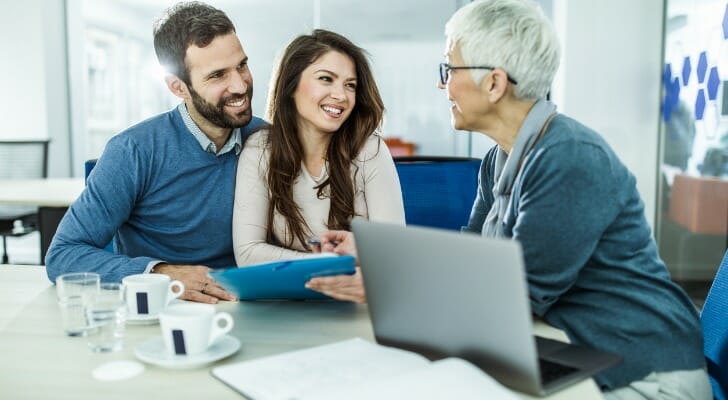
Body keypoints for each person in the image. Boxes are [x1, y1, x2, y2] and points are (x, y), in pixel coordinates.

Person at [313, 0, 711, 397]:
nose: (443, 84)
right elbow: (471, 255)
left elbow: (515, 297)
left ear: (495, 83)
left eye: (449, 69)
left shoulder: (568, 157)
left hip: (647, 375)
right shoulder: (499, 158)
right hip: (574, 349)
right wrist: (375, 255)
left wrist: (388, 283)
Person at [46, 1, 265, 304]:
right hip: (165, 311)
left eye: (241, 65)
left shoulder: (266, 139)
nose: (240, 85)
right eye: (217, 76)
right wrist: (161, 274)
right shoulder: (133, 151)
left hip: (250, 305)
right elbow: (64, 255)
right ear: (178, 87)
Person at [232, 30, 405, 303]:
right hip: (288, 305)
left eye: (350, 85)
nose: (341, 95)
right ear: (291, 86)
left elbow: (394, 254)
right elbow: (248, 253)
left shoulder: (370, 150)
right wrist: (332, 266)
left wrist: (297, 266)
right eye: (326, 79)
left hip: (357, 305)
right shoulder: (260, 150)